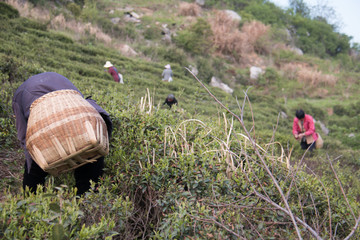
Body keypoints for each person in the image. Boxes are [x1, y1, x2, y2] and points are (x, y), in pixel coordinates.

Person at [12, 72, 113, 195]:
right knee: (90, 160)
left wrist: (33, 158)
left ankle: (30, 202)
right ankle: (86, 201)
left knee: (34, 167)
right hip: (78, 116)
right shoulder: (26, 92)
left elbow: (24, 136)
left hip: (55, 112)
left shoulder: (21, 94)